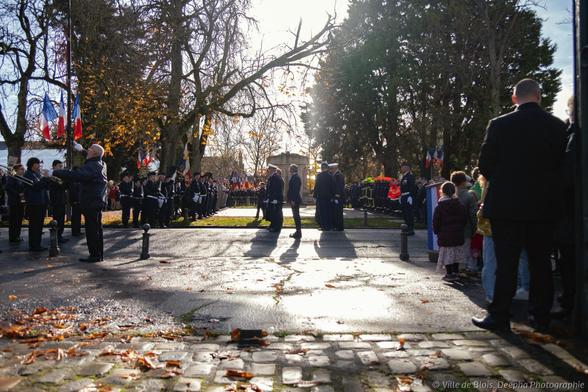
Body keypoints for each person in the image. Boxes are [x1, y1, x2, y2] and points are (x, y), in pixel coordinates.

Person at [473, 78, 567, 332]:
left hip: (506, 206)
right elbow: (561, 166)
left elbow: (485, 165)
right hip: (543, 207)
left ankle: (500, 316)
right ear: (539, 96)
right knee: (540, 264)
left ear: (514, 98)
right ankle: (541, 316)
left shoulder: (500, 125)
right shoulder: (557, 127)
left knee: (506, 264)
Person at [53, 144, 108, 262]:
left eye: (90, 149)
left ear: (93, 153)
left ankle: (95, 255)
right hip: (96, 202)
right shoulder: (100, 163)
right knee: (97, 229)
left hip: (91, 202)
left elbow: (77, 175)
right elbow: (95, 156)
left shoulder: (93, 166)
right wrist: (81, 150)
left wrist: (57, 172)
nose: (87, 150)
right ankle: (98, 254)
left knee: (92, 230)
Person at [554, 95, 577, 318]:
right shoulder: (568, 133)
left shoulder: (572, 136)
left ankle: (570, 302)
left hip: (570, 211)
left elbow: (566, 176)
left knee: (569, 260)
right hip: (569, 211)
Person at [433, 182, 467, 281]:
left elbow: (436, 221)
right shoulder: (459, 205)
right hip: (457, 233)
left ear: (442, 191)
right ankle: (456, 272)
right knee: (456, 253)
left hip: (445, 234)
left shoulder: (440, 206)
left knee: (447, 254)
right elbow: (464, 218)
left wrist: (437, 231)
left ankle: (449, 273)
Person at [450, 171, 477, 273]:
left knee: (453, 251)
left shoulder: (449, 196)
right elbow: (473, 215)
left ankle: (453, 271)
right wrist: (474, 228)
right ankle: (461, 272)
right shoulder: (469, 196)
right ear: (464, 182)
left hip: (451, 230)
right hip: (465, 229)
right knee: (463, 252)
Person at [23, 157, 50, 252]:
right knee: (34, 225)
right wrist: (45, 178)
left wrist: (48, 180)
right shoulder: (28, 174)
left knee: (39, 225)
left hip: (41, 203)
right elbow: (36, 187)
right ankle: (34, 245)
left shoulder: (37, 174)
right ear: (32, 164)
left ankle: (37, 244)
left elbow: (44, 187)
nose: (39, 165)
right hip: (34, 203)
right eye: (38, 163)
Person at [48, 160, 69, 244]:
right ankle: (57, 236)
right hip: (56, 200)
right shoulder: (52, 175)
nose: (61, 168)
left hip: (61, 200)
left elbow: (65, 186)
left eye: (61, 166)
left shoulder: (59, 175)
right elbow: (61, 185)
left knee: (61, 219)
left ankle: (60, 235)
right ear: (54, 166)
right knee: (57, 219)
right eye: (59, 166)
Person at [5, 164, 26, 243]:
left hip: (21, 202)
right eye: (21, 169)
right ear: (16, 170)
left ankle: (17, 235)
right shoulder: (12, 177)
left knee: (19, 219)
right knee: (14, 220)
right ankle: (13, 237)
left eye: (23, 169)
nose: (23, 170)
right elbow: (8, 188)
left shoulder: (22, 178)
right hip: (14, 202)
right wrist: (18, 194)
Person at [313, 162, 333, 231]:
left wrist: (315, 196)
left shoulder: (319, 176)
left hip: (321, 196)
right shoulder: (330, 176)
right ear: (327, 168)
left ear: (322, 168)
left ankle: (323, 226)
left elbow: (316, 186)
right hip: (328, 197)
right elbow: (332, 187)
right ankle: (328, 226)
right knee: (328, 211)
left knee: (322, 212)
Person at [399, 162, 417, 235]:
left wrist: (411, 196)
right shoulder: (404, 176)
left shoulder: (410, 176)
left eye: (403, 167)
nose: (401, 168)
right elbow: (402, 187)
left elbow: (413, 187)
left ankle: (411, 229)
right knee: (405, 213)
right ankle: (406, 228)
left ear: (407, 168)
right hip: (404, 196)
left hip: (408, 196)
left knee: (409, 213)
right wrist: (401, 196)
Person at [266, 164, 283, 233]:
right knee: (272, 213)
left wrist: (275, 199)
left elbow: (277, 189)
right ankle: (272, 225)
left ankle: (276, 227)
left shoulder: (276, 177)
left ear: (272, 170)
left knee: (276, 213)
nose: (268, 171)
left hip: (276, 198)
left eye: (269, 169)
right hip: (272, 197)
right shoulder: (273, 177)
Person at [287, 164, 302, 238]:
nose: (289, 170)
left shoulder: (296, 178)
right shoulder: (295, 177)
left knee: (296, 216)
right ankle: (298, 231)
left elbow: (295, 190)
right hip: (294, 200)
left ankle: (298, 233)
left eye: (290, 169)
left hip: (295, 200)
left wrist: (293, 200)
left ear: (293, 169)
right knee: (296, 216)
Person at [330, 163, 345, 231]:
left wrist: (337, 195)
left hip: (338, 197)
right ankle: (337, 226)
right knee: (336, 212)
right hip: (336, 196)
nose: (331, 170)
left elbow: (339, 186)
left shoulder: (338, 175)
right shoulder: (336, 175)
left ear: (335, 168)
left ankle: (339, 227)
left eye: (331, 168)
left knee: (338, 212)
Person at [69, 168, 82, 237]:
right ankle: (75, 232)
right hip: (75, 201)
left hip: (78, 201)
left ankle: (78, 231)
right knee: (75, 218)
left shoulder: (77, 180)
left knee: (78, 217)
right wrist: (73, 201)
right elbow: (72, 192)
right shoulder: (72, 181)